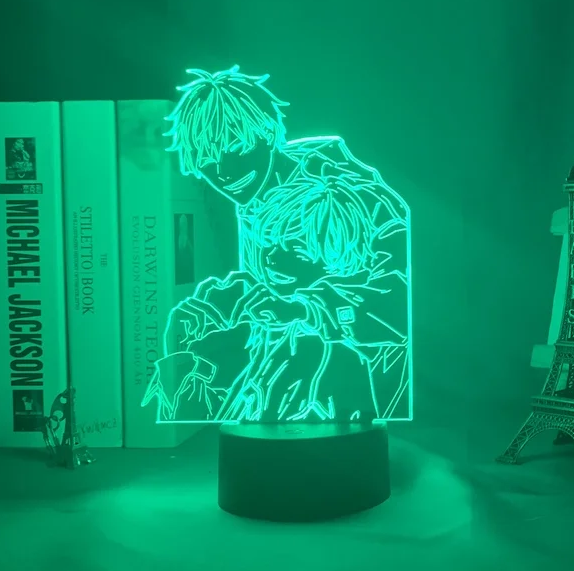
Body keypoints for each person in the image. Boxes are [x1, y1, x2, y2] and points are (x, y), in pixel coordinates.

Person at [162, 65, 411, 419]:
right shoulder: (254, 194)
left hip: (364, 387)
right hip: (283, 371)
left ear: (268, 132)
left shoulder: (350, 191)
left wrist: (309, 309)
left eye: (236, 147)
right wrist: (216, 306)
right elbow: (274, 283)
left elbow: (402, 297)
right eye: (207, 161)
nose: (224, 172)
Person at [143, 171, 408, 424]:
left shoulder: (335, 352)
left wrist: (300, 310)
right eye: (267, 244)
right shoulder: (265, 335)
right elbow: (209, 418)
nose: (271, 258)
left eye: (294, 249)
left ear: (338, 259)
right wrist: (180, 354)